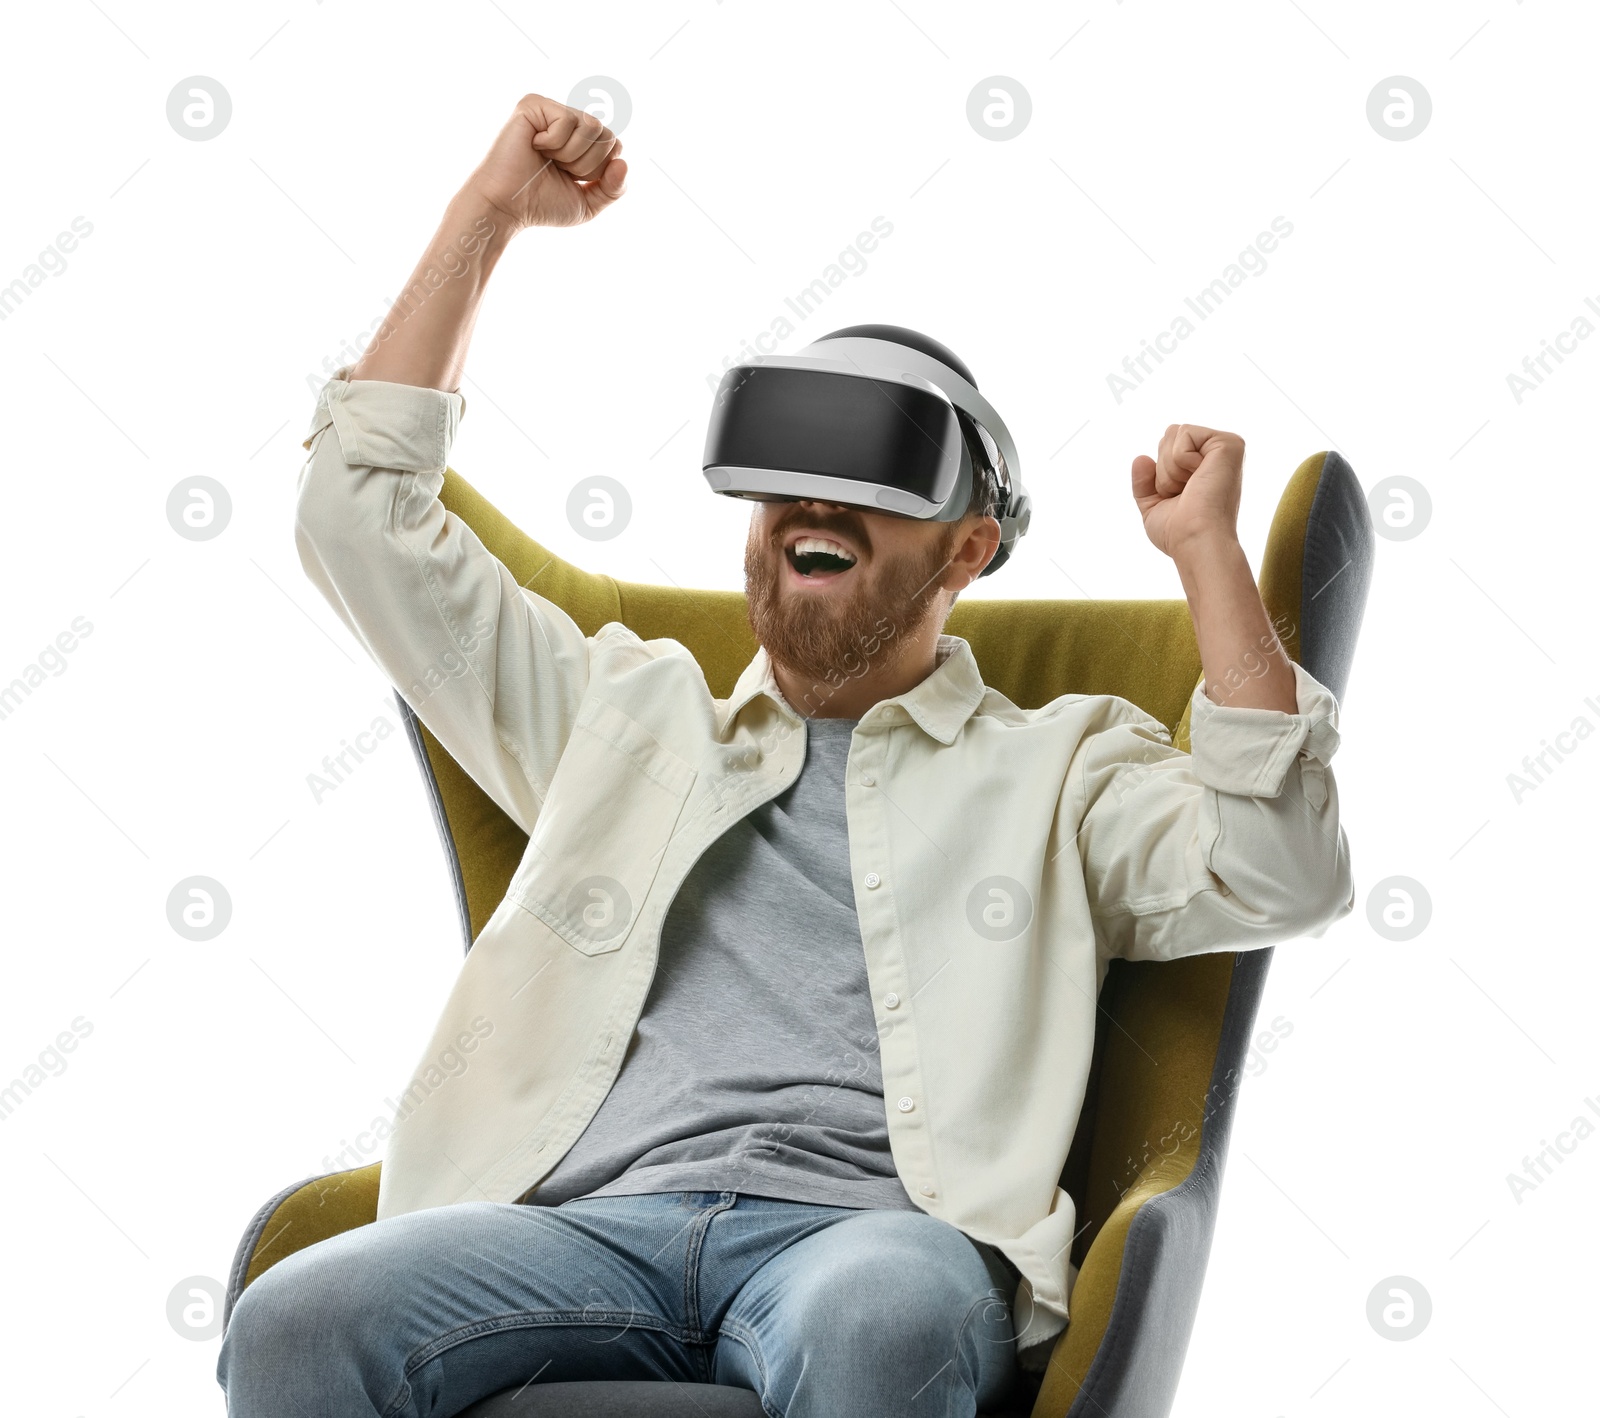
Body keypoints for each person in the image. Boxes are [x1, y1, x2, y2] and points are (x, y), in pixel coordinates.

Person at [217, 93, 1354, 1418]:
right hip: (579, 1228)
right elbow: (359, 519)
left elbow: (1282, 863)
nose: (816, 502)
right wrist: (487, 217)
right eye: (789, 469)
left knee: (878, 1323)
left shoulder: (1062, 766)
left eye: (873, 470)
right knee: (297, 1316)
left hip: (864, 1237)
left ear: (969, 547)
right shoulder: (619, 713)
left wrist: (1208, 556)